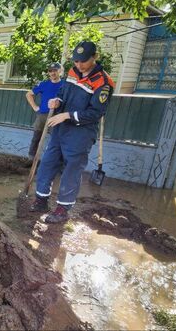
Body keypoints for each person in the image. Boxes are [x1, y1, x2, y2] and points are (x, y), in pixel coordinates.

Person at [30, 41, 114, 223]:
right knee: (47, 163)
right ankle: (41, 200)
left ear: (94, 57)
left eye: (83, 61)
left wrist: (67, 115)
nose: (79, 65)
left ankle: (62, 209)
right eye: (76, 61)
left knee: (71, 170)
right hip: (61, 129)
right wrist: (57, 101)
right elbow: (63, 91)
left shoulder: (104, 82)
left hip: (80, 133)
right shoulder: (72, 72)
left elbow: (95, 113)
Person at [25, 62, 64, 160]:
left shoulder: (64, 85)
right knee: (36, 138)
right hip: (42, 115)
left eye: (55, 70)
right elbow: (29, 94)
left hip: (56, 116)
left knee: (55, 141)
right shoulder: (44, 84)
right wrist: (35, 107)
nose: (52, 73)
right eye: (50, 71)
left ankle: (52, 162)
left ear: (60, 71)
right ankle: (31, 159)